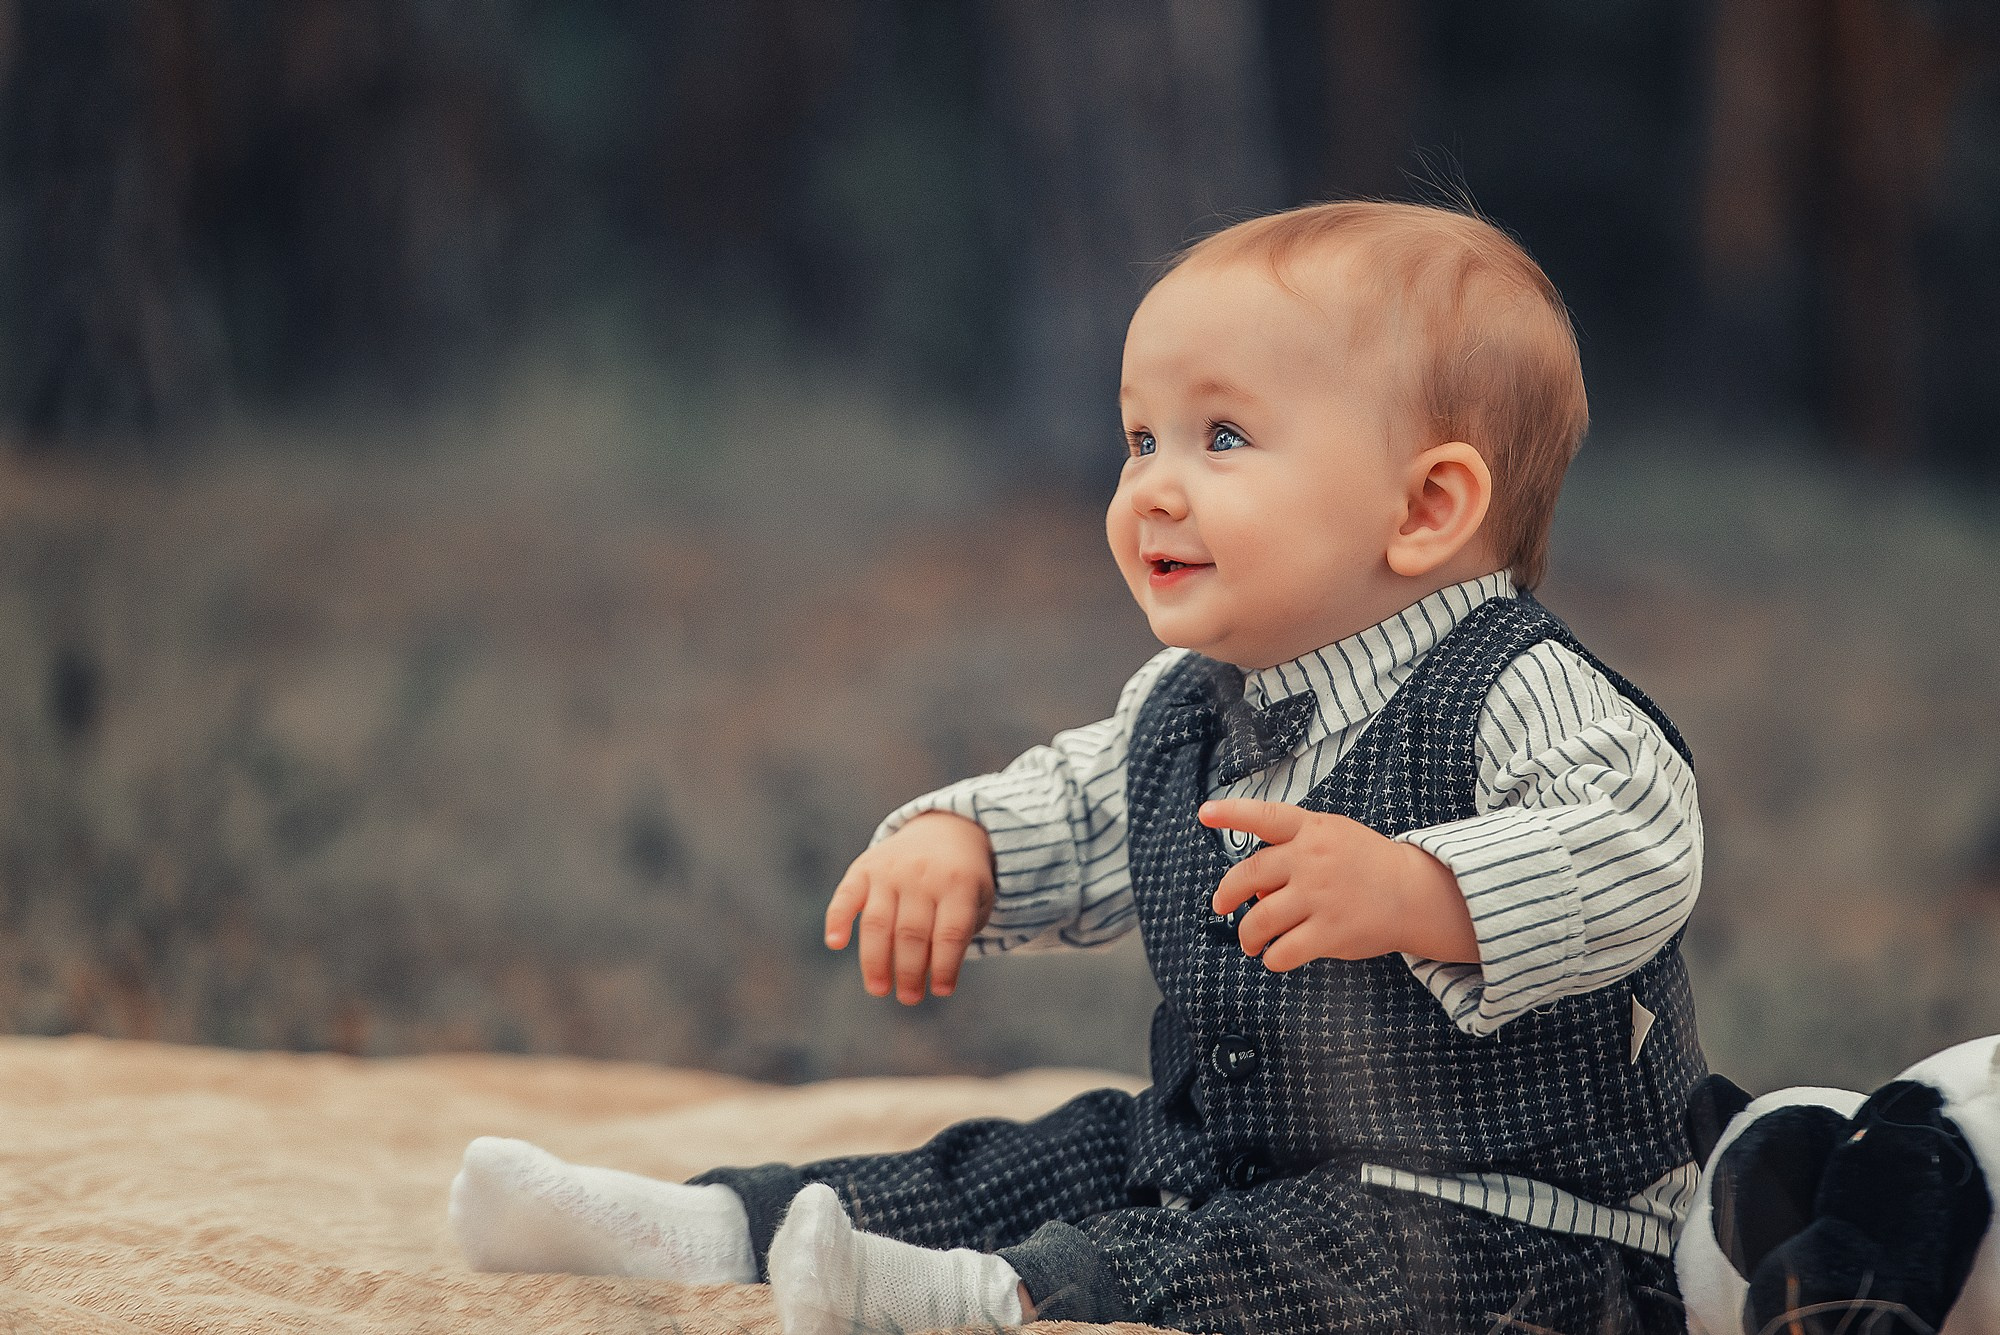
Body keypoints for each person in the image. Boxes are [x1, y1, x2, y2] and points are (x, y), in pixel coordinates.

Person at [447, 199, 1707, 1335]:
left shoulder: (1511, 684)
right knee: (1052, 1156)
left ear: (1425, 509)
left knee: (1299, 1255)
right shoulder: (1186, 704)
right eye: (1136, 439)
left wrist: (1423, 888)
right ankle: (708, 1228)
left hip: (1517, 1223)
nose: (1151, 487)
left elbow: (1639, 837)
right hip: (1234, 1154)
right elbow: (1082, 800)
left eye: (1218, 438)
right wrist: (967, 845)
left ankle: (977, 1301)